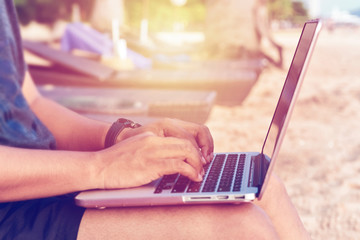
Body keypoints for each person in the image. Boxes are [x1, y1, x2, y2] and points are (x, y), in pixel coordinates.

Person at [0, 0, 310, 239]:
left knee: (267, 191)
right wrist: (103, 167)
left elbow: (32, 104)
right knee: (243, 227)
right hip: (11, 210)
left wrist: (121, 137)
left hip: (48, 179)